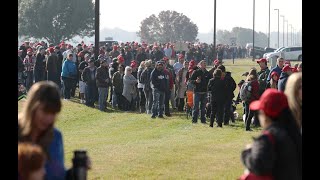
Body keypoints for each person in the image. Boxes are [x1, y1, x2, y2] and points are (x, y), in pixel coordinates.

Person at [241, 89, 302, 180]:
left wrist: (247, 153)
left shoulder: (269, 137)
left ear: (265, 115)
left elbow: (258, 165)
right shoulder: (294, 133)